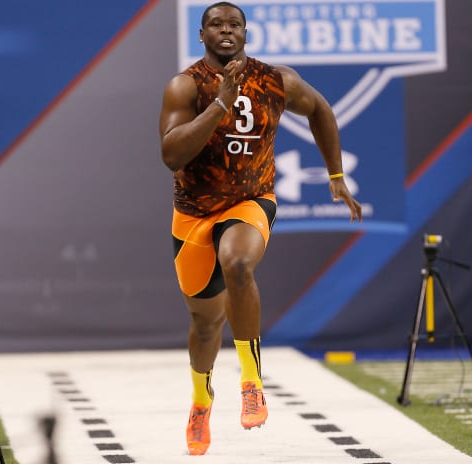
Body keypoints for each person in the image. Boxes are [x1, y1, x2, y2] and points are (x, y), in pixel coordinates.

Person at [158, 2, 363, 456]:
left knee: (238, 262)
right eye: (216, 24)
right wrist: (219, 106)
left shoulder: (277, 79)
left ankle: (252, 381)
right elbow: (172, 155)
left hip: (252, 201)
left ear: (246, 34)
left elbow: (321, 111)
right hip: (194, 212)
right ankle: (200, 402)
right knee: (205, 323)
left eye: (234, 24)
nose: (226, 31)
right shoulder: (185, 85)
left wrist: (335, 177)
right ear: (202, 34)